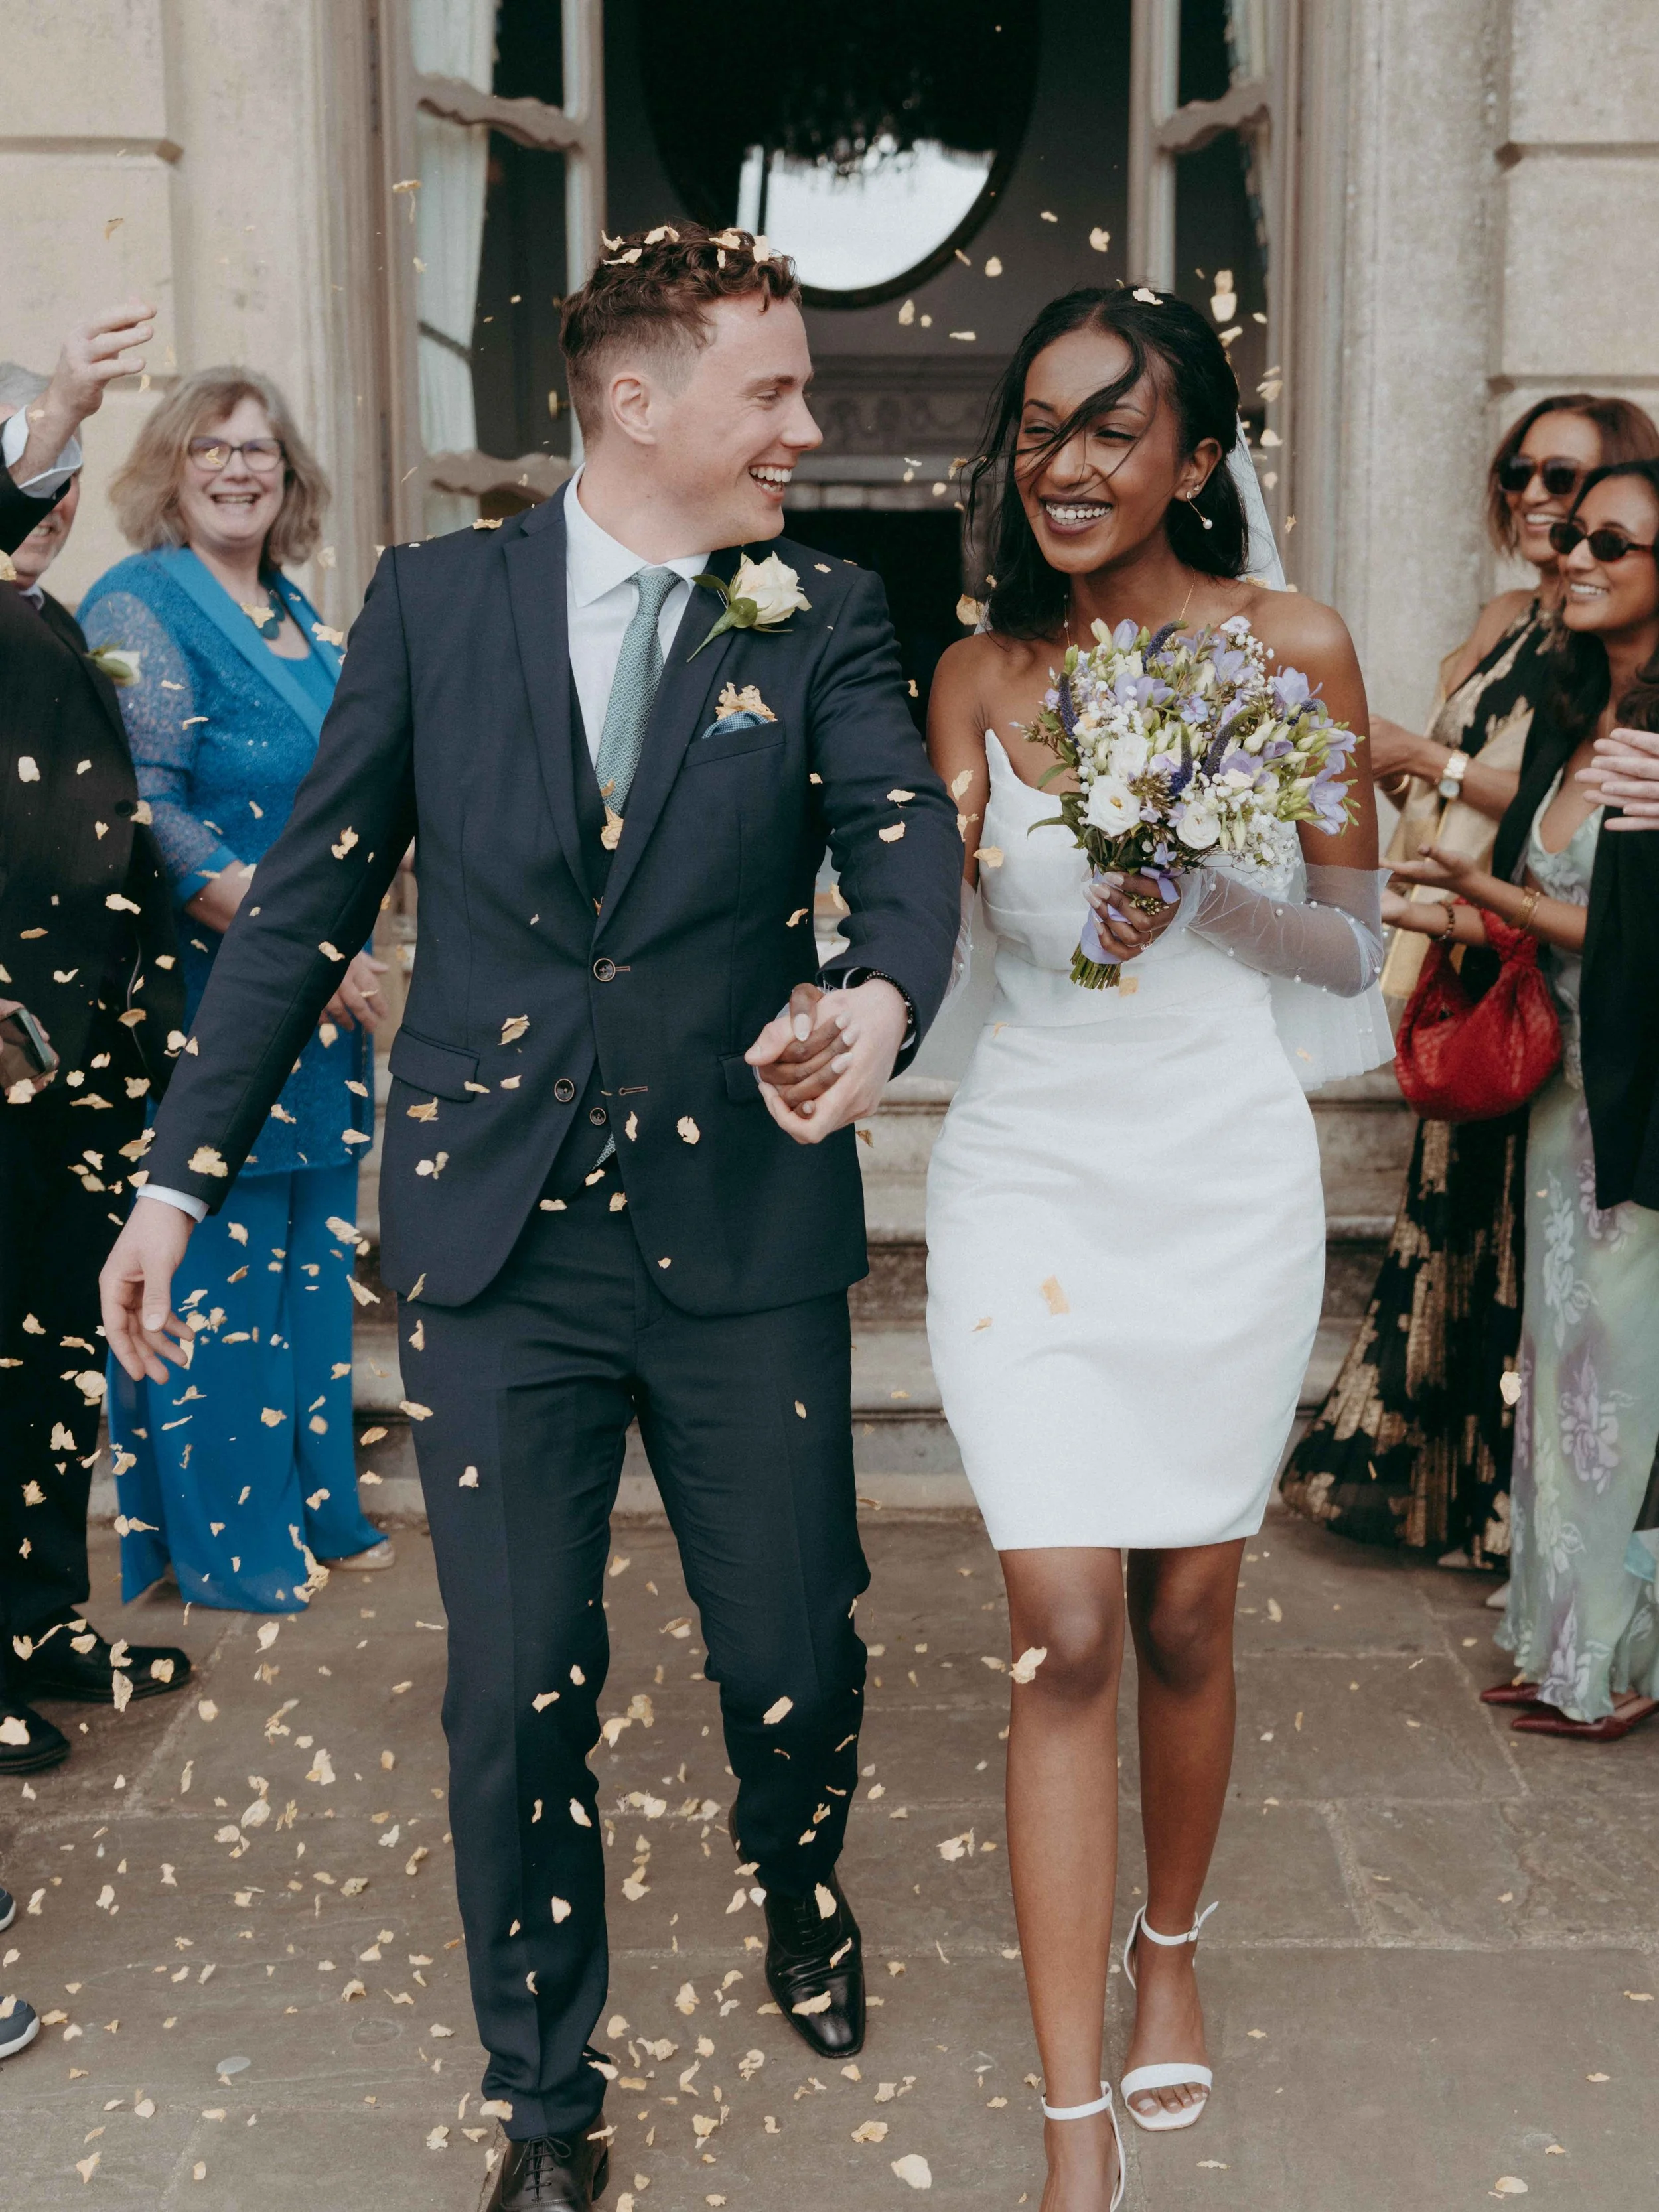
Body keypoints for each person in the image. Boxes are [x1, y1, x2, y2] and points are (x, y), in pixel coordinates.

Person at [100, 224, 960, 2211]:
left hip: (745, 1233)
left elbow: (899, 858)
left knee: (796, 1656)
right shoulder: (433, 602)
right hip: (497, 1242)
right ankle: (546, 2095)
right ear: (634, 401)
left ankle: (795, 1870)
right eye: (774, 392)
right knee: (511, 1681)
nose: (806, 430)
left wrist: (877, 999)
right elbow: (305, 901)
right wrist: (172, 1177)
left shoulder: (814, 605)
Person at [924, 286, 1382, 2211]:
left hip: (1213, 1163)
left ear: (1198, 460)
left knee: (1188, 1607)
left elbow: (1349, 947)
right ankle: (1066, 2124)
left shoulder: (1294, 645)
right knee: (1071, 1620)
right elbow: (942, 948)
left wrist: (1192, 878)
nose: (1070, 466)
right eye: (1040, 427)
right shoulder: (969, 674)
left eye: (1114, 429)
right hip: (1026, 1165)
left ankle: (1167, 1947)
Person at [1283, 395, 1659, 1565]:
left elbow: (1592, 867)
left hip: (1588, 1011)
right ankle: (1533, 1578)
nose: (1549, 516)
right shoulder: (1533, 639)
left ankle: (1587, 1612)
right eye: (1529, 480)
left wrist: (1426, 762)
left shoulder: (1617, 685)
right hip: (1499, 976)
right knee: (1534, 1299)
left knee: (1594, 1321)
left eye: (1582, 496)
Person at [78, 370, 393, 1611]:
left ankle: (322, 1507)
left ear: (289, 473)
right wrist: (303, 942)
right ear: (169, 467)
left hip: (322, 1005)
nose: (235, 468)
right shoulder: (140, 601)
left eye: (258, 449)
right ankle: (225, 1549)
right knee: (216, 1266)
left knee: (310, 1265)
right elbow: (148, 812)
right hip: (217, 992)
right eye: (208, 447)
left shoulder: (302, 620)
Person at [1388, 459, 1659, 1742]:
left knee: (1618, 1378)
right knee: (1558, 1367)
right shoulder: (1566, 720)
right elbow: (1525, 909)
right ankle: (1559, 1643)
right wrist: (1400, 905)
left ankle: (1606, 1661)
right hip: (1563, 1097)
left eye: (1613, 539)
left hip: (1638, 1094)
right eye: (1568, 534)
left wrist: (1483, 894)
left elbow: (1618, 929)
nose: (1577, 555)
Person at [1, 333, 191, 1775]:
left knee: (57, 1358)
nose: (51, 500)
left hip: (89, 1055)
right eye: (28, 471)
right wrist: (55, 410)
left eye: (62, 477)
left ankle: (42, 1617)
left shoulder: (50, 616)